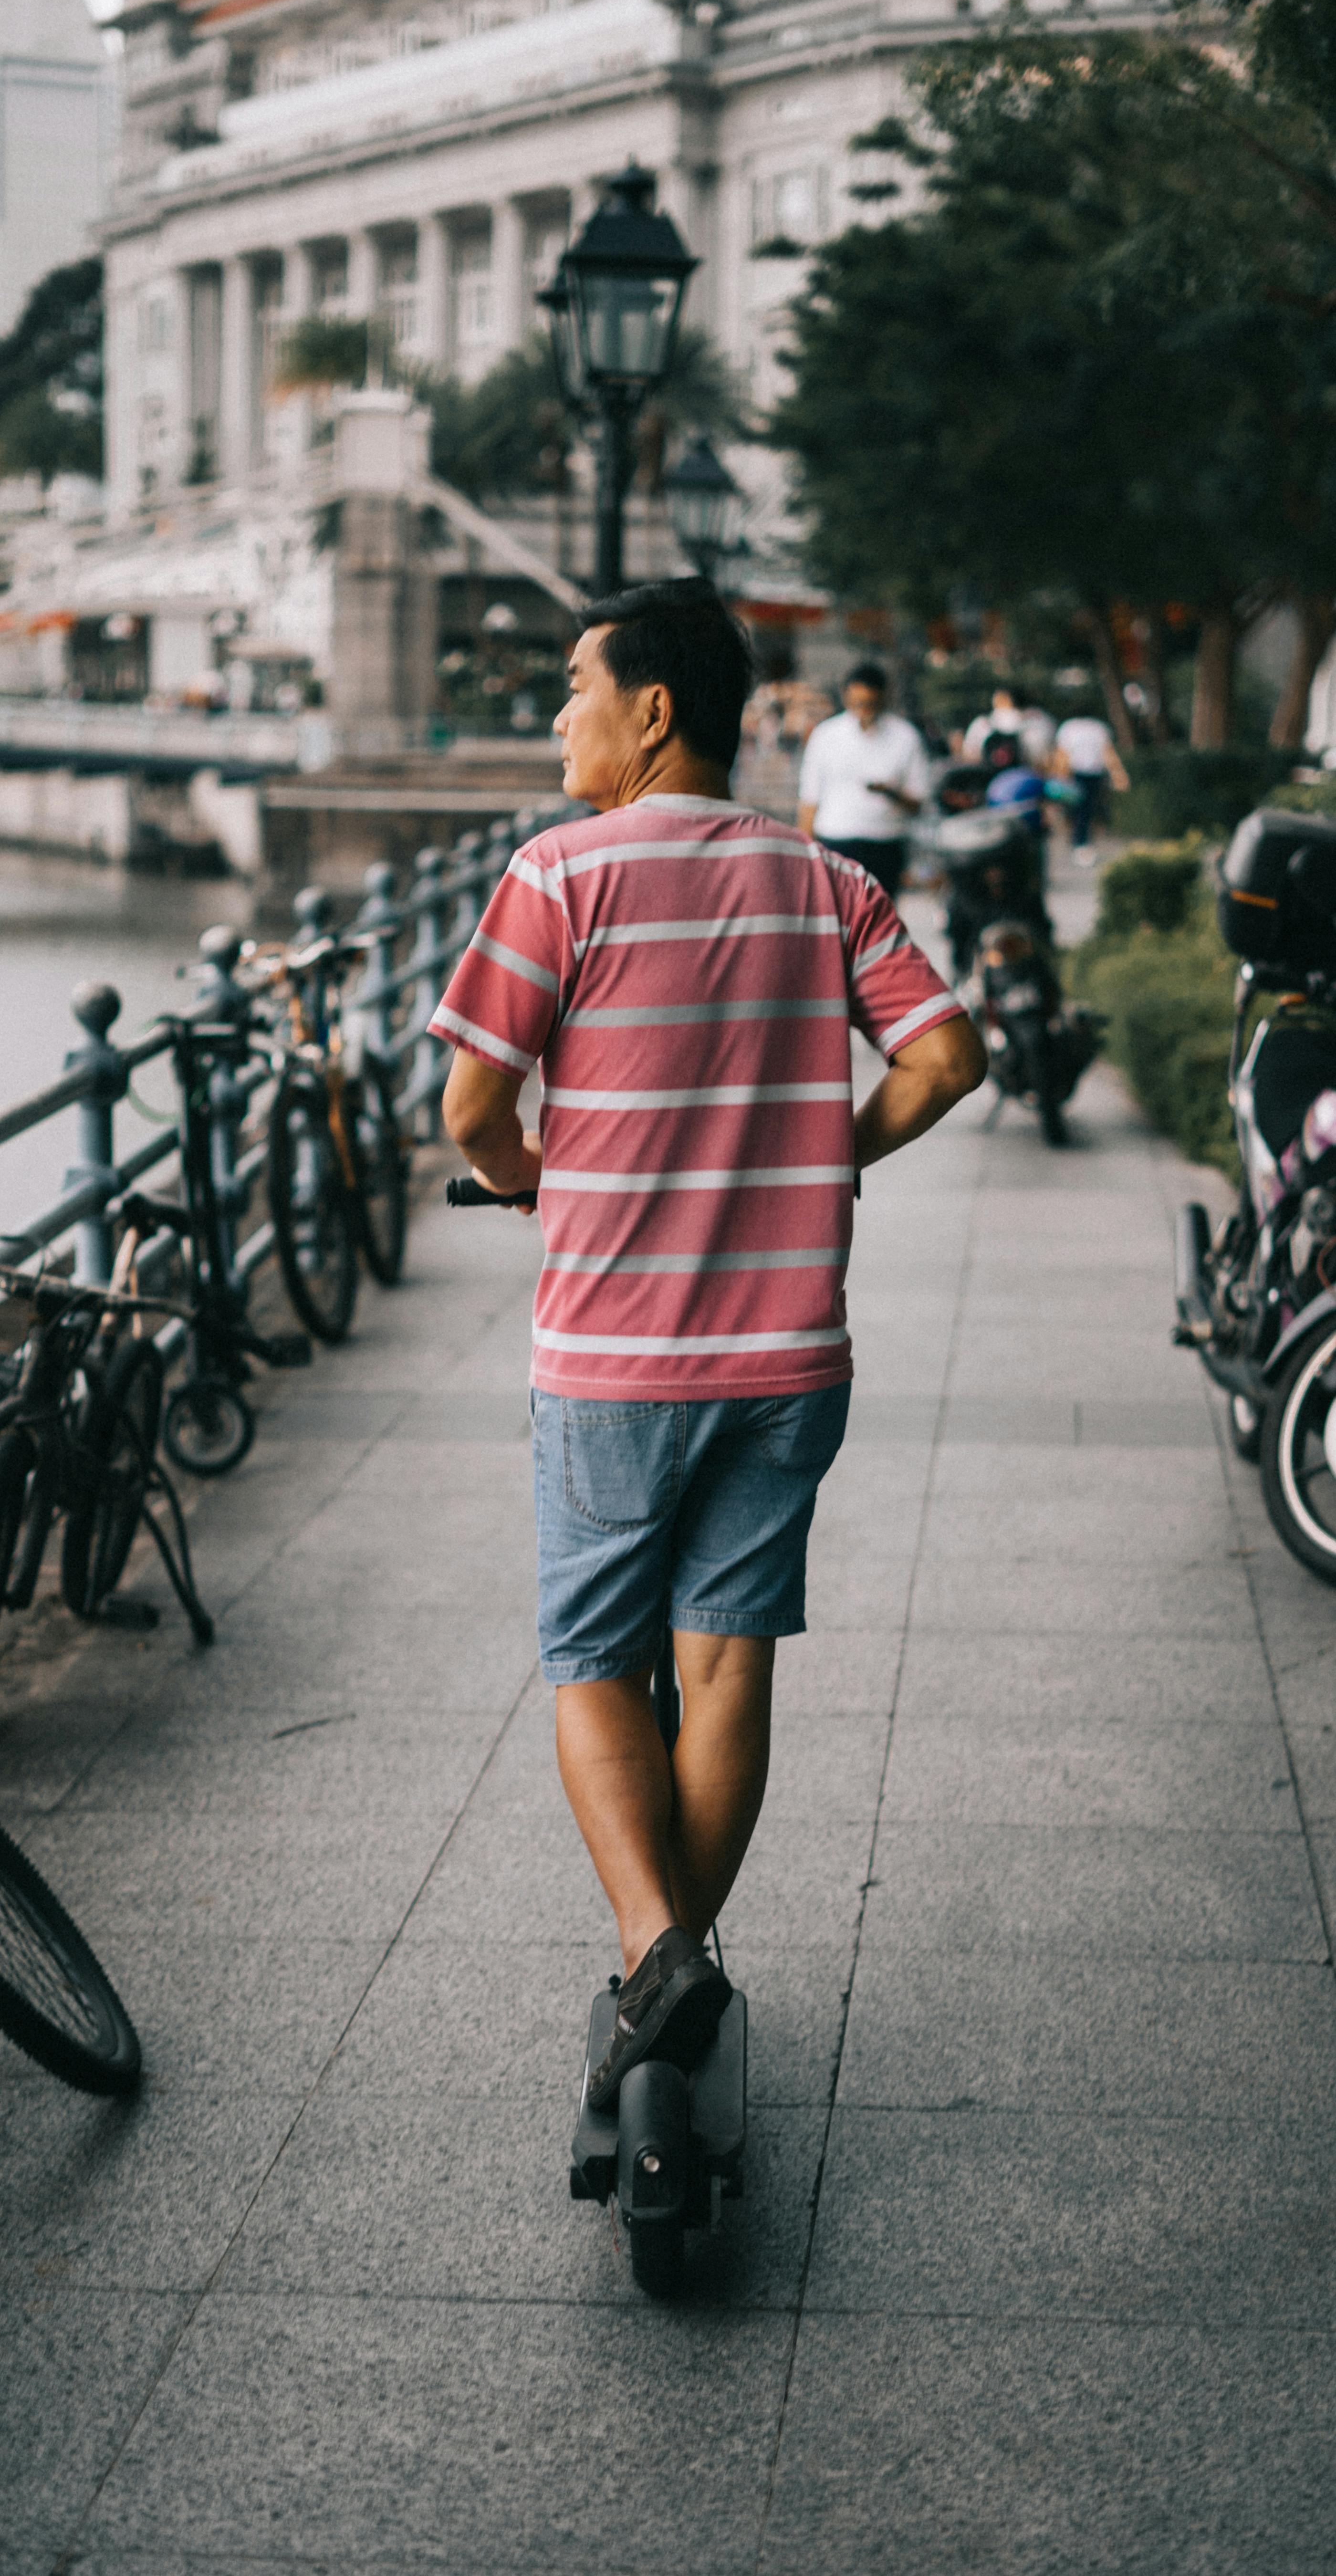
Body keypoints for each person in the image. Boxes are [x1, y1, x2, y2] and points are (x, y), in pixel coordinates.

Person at [433, 577, 984, 2108]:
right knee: (726, 1657)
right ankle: (675, 1966)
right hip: (787, 1353)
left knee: (594, 1660)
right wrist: (834, 1151)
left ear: (650, 710)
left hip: (614, 1353)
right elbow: (947, 1054)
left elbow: (472, 1111)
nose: (557, 715)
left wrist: (528, 1177)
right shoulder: (820, 881)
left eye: (570, 687)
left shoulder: (556, 875)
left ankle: (650, 1955)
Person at [794, 662, 930, 900]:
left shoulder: (905, 736)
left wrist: (891, 793)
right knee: (839, 919)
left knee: (880, 923)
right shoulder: (826, 735)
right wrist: (804, 853)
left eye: (870, 704)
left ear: (883, 699)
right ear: (846, 697)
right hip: (837, 842)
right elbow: (810, 798)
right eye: (857, 703)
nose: (863, 711)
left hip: (885, 843)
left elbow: (919, 802)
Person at [1053, 710, 1129, 862]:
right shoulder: (1099, 728)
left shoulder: (1069, 727)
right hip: (1092, 773)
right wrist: (1118, 774)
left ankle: (1080, 842)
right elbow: (1108, 753)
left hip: (1077, 773)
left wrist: (1059, 775)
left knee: (1080, 809)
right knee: (1086, 809)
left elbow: (1062, 754)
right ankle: (1081, 842)